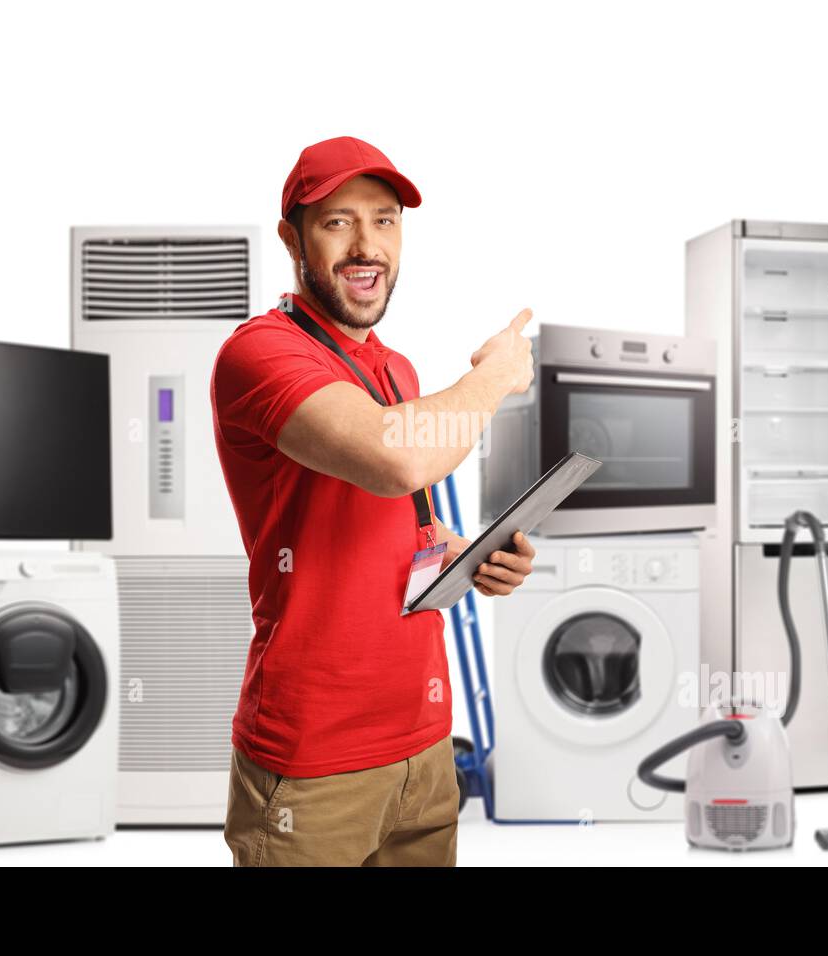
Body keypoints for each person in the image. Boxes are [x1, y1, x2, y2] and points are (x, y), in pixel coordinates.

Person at [210, 135, 536, 866]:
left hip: (423, 747)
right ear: (292, 238)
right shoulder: (260, 353)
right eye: (338, 222)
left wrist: (458, 554)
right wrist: (498, 376)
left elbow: (397, 508)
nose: (367, 246)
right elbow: (394, 455)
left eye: (385, 221)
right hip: (313, 761)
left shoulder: (397, 368)